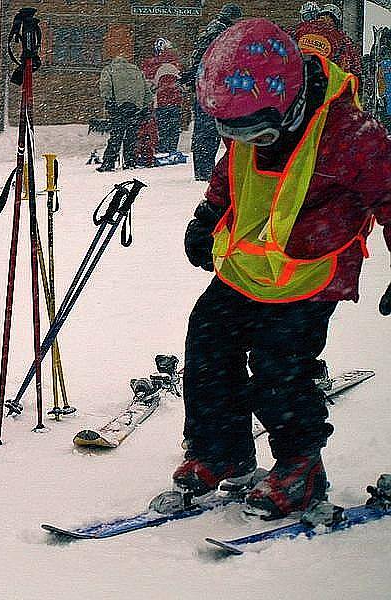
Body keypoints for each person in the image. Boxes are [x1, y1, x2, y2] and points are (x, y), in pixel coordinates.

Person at [176, 18, 391, 519]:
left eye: (255, 131)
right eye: (233, 131)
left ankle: (300, 465)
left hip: (312, 270)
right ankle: (220, 450)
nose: (246, 140)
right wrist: (208, 217)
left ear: (290, 101)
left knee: (280, 365)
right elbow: (229, 173)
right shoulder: (250, 111)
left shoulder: (352, 134)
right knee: (208, 340)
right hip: (249, 266)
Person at [179, 3, 242, 181]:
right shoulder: (222, 33)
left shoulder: (211, 30)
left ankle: (204, 169)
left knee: (204, 131)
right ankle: (206, 171)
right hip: (214, 90)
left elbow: (200, 59)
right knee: (211, 132)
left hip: (205, 88)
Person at [96, 52, 153, 171]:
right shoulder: (136, 70)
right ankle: (130, 161)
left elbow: (105, 87)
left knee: (116, 136)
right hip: (136, 108)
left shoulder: (109, 69)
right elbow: (147, 92)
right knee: (131, 136)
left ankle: (109, 162)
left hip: (119, 107)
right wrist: (144, 106)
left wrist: (108, 101)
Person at [292, 3, 362, 79]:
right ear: (336, 22)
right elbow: (354, 63)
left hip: (297, 74)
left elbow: (284, 42)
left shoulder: (300, 29)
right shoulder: (341, 38)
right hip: (325, 79)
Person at [141, 38, 183, 154]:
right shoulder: (176, 64)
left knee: (162, 127)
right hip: (176, 102)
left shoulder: (152, 65)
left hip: (160, 102)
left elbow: (149, 85)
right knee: (174, 128)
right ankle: (172, 149)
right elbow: (182, 83)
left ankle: (163, 148)